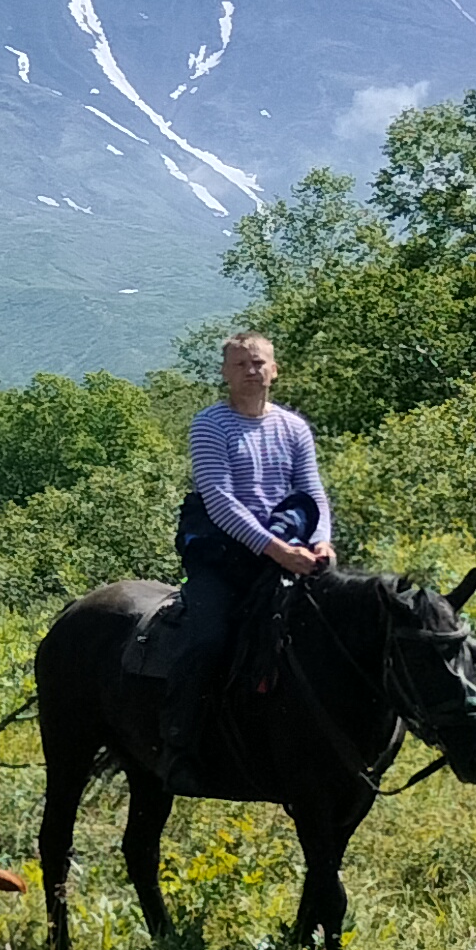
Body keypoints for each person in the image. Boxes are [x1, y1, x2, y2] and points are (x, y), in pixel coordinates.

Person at [159, 330, 329, 791]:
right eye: (240, 364)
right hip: (225, 555)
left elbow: (311, 490)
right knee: (209, 637)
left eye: (258, 363)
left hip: (289, 549)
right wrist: (274, 549)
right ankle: (180, 746)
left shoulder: (294, 428)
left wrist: (321, 542)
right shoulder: (210, 424)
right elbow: (219, 498)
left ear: (274, 369)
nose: (251, 371)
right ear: (225, 373)